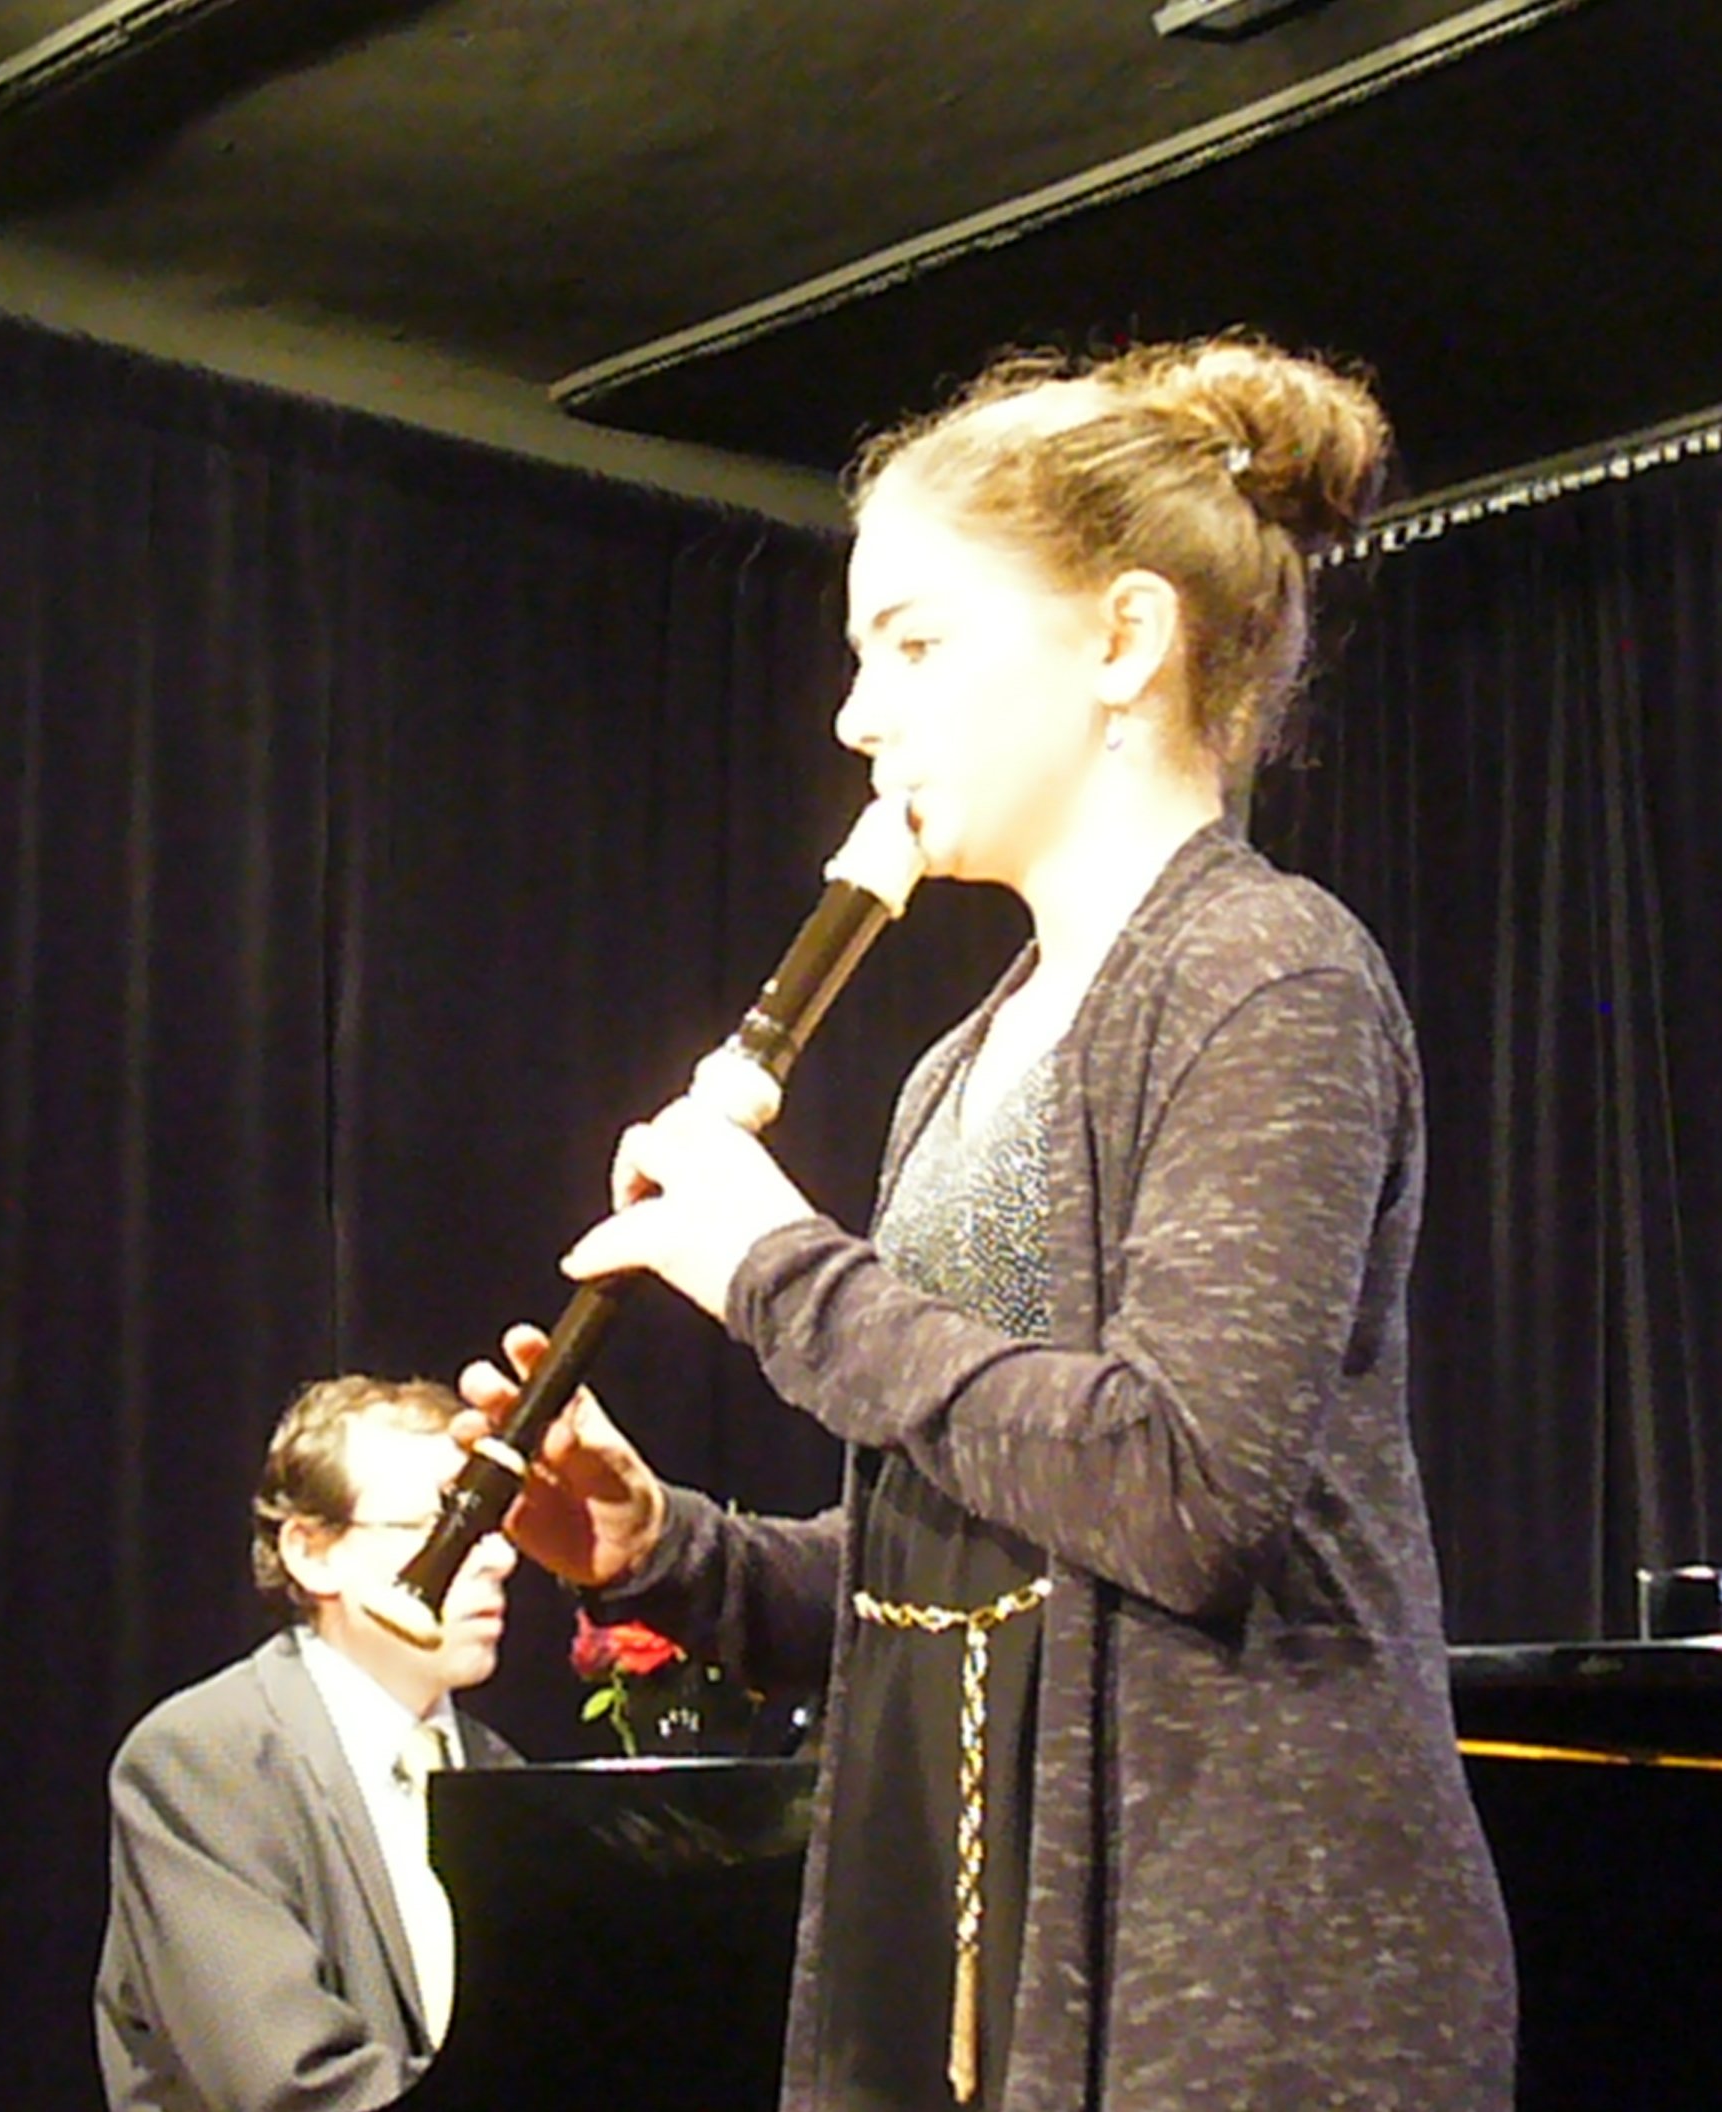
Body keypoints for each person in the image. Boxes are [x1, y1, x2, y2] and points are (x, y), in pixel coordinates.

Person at [460, 336, 1517, 2111]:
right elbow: (967, 1571)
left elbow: (1180, 1491)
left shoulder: (1265, 973)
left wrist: (777, 1274)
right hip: (973, 1923)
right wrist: (665, 1552)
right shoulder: (959, 1061)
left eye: (916, 645)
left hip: (1242, 1976)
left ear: (1121, 641)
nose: (858, 717)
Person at [95, 1375, 521, 2112]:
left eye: (494, 1523)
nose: (495, 1558)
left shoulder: (498, 1773)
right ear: (312, 1553)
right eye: (444, 1523)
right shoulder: (203, 1760)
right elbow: (287, 2086)